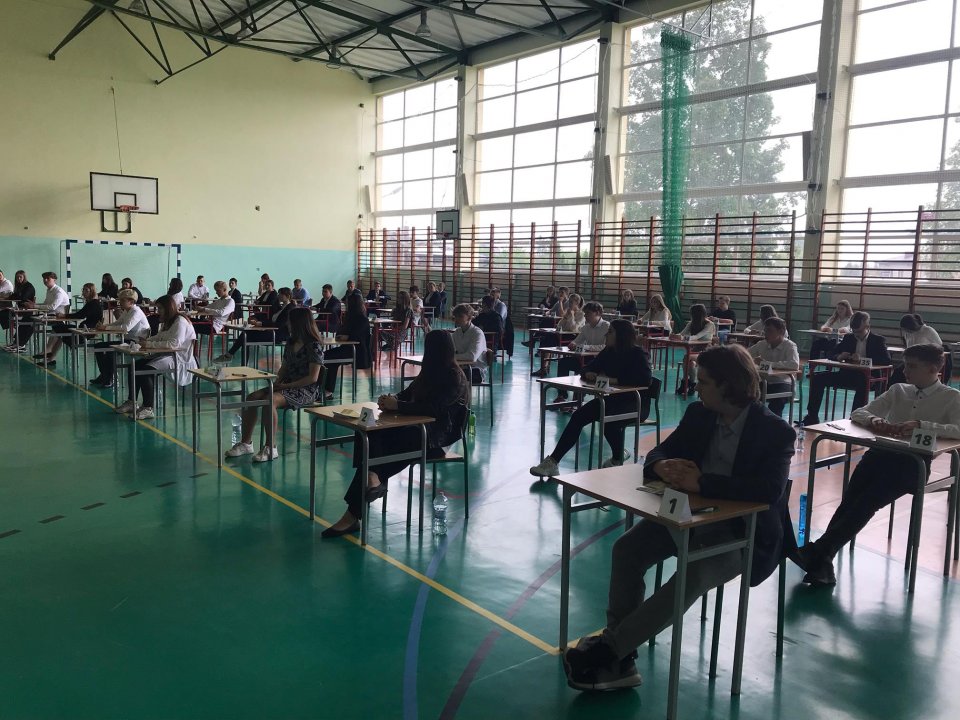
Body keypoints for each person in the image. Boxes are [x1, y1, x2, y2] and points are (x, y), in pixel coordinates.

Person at [562, 344, 795, 691]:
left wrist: (703, 483)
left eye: (703, 382)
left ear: (727, 386)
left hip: (740, 533)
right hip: (687, 516)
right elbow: (661, 450)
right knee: (627, 549)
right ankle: (621, 658)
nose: (695, 387)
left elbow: (770, 490)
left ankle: (610, 649)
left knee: (693, 574)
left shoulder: (775, 431)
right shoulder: (700, 414)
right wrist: (661, 465)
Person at [795, 343, 960, 587]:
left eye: (912, 366)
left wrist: (922, 425)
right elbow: (859, 412)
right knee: (851, 499)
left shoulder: (951, 397)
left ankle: (819, 552)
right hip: (881, 453)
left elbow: (958, 429)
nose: (905, 371)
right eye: (905, 365)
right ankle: (822, 559)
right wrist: (875, 420)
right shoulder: (898, 390)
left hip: (913, 463)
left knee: (866, 501)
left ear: (934, 368)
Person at [321, 330, 471, 538]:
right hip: (419, 428)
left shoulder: (455, 377)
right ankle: (372, 479)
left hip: (437, 439)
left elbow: (435, 409)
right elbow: (408, 394)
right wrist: (391, 399)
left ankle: (366, 490)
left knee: (400, 442)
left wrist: (398, 406)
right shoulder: (428, 372)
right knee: (367, 431)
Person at [530, 320, 653, 477]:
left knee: (609, 422)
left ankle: (618, 456)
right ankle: (553, 462)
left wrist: (614, 380)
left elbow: (645, 379)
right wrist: (588, 373)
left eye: (610, 332)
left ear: (621, 335)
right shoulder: (608, 352)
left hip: (636, 403)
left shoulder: (638, 354)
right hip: (612, 400)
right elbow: (588, 367)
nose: (606, 335)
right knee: (578, 416)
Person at [225, 307, 324, 463]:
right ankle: (246, 443)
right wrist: (277, 382)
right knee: (252, 398)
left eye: (290, 321)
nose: (288, 324)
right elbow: (284, 367)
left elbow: (313, 378)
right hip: (286, 385)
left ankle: (271, 447)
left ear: (299, 323)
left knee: (270, 401)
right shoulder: (290, 342)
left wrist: (286, 386)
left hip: (306, 389)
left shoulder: (314, 346)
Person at [114, 294, 198, 421]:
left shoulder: (180, 321)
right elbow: (160, 337)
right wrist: (145, 341)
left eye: (160, 308)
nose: (158, 311)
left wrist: (149, 345)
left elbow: (173, 344)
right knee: (135, 366)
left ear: (168, 308)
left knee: (146, 371)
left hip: (179, 360)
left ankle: (148, 408)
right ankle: (132, 402)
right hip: (167, 355)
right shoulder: (169, 321)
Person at [802, 311, 891, 426]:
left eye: (859, 331)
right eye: (854, 331)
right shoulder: (849, 338)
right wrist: (839, 356)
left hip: (869, 378)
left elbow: (886, 360)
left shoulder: (878, 340)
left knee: (862, 382)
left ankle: (855, 418)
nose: (856, 334)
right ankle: (812, 416)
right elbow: (831, 353)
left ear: (867, 326)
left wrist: (863, 359)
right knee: (818, 378)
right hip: (847, 375)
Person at [90, 289, 151, 388]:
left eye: (123, 300)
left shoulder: (136, 312)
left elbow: (126, 328)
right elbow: (118, 323)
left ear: (131, 301)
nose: (120, 302)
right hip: (127, 340)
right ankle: (104, 375)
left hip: (136, 343)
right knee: (98, 346)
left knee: (110, 351)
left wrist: (105, 328)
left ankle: (109, 378)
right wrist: (104, 326)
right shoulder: (127, 311)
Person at [551, 302, 610, 403]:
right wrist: (572, 344)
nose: (585, 316)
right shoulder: (586, 328)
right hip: (586, 358)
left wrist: (585, 347)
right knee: (563, 363)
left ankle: (577, 400)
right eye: (585, 313)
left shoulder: (607, 326)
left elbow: (605, 347)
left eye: (588, 313)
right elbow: (577, 341)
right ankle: (562, 395)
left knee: (584, 370)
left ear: (597, 313)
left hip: (600, 362)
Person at [217, 287, 293, 363]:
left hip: (278, 335)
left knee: (245, 337)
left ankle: (231, 356)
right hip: (271, 331)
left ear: (288, 296)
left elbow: (280, 324)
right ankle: (232, 357)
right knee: (245, 334)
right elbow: (270, 319)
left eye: (281, 294)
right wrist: (257, 320)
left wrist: (260, 323)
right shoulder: (281, 307)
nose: (278, 296)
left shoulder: (290, 308)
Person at [34, 282, 103, 365]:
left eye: (87, 290)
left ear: (92, 292)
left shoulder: (93, 303)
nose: (84, 292)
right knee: (59, 330)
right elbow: (80, 315)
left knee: (58, 328)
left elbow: (79, 315)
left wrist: (64, 315)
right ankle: (51, 358)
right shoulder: (92, 303)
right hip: (85, 328)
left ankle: (49, 350)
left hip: (86, 331)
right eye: (83, 290)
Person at [4, 271, 71, 353]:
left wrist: (34, 306)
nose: (45, 280)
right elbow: (45, 304)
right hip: (49, 314)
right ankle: (16, 343)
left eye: (48, 278)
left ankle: (21, 345)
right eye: (44, 278)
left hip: (57, 317)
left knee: (30, 322)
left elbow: (52, 307)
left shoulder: (59, 291)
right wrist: (34, 304)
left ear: (54, 279)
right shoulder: (49, 290)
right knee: (26, 318)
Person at [322, 293, 371, 400]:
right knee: (324, 355)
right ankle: (323, 388)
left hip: (356, 351)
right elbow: (340, 330)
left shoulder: (362, 319)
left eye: (348, 303)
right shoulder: (349, 317)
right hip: (346, 348)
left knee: (329, 359)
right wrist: (341, 335)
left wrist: (347, 337)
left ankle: (328, 390)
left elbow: (358, 337)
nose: (346, 305)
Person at [747, 317, 799, 417]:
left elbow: (794, 364)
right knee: (747, 395)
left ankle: (774, 424)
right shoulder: (762, 344)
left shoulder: (790, 346)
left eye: (770, 331)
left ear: (781, 331)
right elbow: (745, 354)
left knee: (777, 402)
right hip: (764, 381)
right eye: (765, 330)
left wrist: (768, 363)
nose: (766, 334)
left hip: (784, 383)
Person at [531, 293, 584, 378]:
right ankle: (544, 367)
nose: (569, 304)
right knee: (548, 338)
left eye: (571, 302)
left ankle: (544, 367)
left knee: (550, 340)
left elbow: (573, 328)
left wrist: (572, 316)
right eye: (569, 302)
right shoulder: (568, 312)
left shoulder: (581, 314)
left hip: (573, 338)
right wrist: (565, 317)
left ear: (577, 303)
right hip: (563, 335)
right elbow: (559, 325)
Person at [891, 313, 949, 384]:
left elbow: (939, 346)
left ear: (911, 326)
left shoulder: (928, 330)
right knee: (897, 372)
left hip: (925, 360)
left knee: (907, 372)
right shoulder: (908, 333)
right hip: (912, 359)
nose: (905, 331)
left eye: (906, 329)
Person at [451, 303, 487, 382]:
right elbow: (450, 351)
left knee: (446, 376)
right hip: (461, 368)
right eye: (455, 316)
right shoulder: (456, 333)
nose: (457, 319)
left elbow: (472, 356)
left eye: (460, 316)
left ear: (470, 317)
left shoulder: (477, 333)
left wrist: (451, 357)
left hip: (476, 371)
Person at [0, 271, 36, 336]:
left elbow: (23, 298)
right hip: (19, 309)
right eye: (17, 277)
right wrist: (6, 298)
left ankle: (12, 325)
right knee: (3, 312)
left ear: (24, 277)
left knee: (3, 314)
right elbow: (14, 296)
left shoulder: (28, 286)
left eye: (20, 277)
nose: (19, 278)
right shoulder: (19, 286)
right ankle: (12, 325)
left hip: (26, 311)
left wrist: (11, 297)